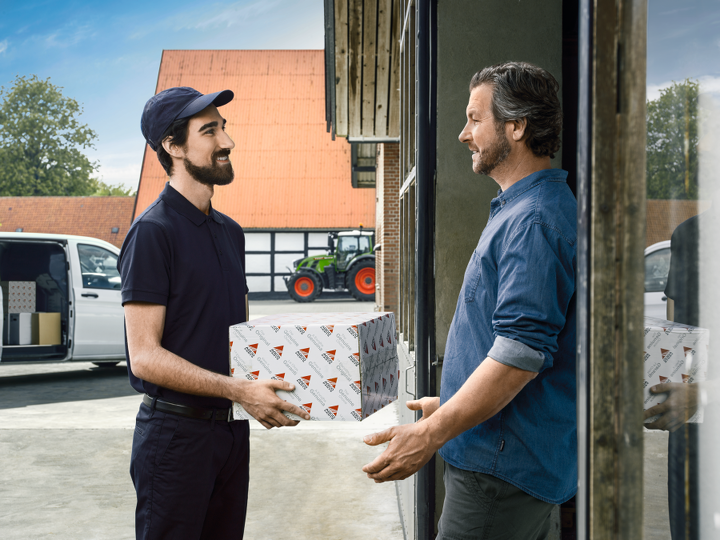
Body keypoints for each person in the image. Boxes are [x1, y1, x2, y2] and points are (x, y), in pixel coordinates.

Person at [363, 62, 577, 539]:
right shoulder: (524, 210)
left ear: (516, 126)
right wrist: (457, 400)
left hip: (497, 471)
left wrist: (427, 435)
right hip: (507, 456)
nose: (463, 134)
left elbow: (519, 355)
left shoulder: (533, 222)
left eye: (475, 118)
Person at [118, 86, 310, 540]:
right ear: (173, 146)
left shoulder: (230, 233)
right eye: (209, 130)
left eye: (223, 127)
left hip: (229, 435)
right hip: (175, 439)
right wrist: (240, 390)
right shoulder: (152, 233)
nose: (227, 141)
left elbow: (237, 338)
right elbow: (144, 357)